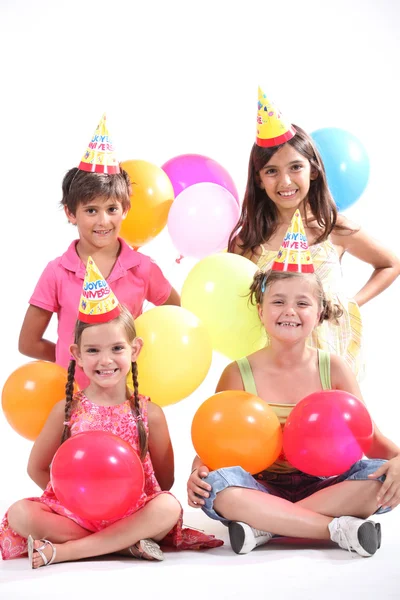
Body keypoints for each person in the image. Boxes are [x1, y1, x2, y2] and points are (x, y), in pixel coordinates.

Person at [187, 212, 400, 558]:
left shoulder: (335, 368)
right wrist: (198, 473)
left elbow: (369, 439)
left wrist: (398, 461)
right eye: (278, 301)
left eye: (303, 303)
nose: (290, 311)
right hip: (260, 487)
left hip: (328, 483)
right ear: (260, 310)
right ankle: (334, 528)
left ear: (319, 312)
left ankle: (266, 527)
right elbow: (215, 448)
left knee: (383, 479)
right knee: (220, 488)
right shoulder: (238, 373)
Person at [1, 258, 222, 568]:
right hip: (76, 516)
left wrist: (131, 504)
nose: (105, 360)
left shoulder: (150, 413)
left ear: (135, 349)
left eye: (116, 348)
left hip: (134, 515)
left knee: (167, 506)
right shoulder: (67, 410)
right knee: (20, 514)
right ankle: (123, 546)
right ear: (76, 354)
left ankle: (71, 550)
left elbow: (165, 480)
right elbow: (36, 467)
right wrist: (72, 499)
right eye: (93, 350)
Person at [228, 88, 400, 378]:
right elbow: (233, 304)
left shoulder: (334, 230)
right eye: (271, 171)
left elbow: (390, 264)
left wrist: (350, 304)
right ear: (259, 180)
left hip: (330, 362)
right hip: (274, 369)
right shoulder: (249, 242)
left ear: (313, 171)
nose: (285, 181)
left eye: (295, 167)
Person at [18, 114, 180, 388]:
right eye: (91, 210)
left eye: (112, 209)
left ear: (125, 210)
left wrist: (130, 358)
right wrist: (74, 360)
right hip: (74, 401)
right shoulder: (57, 272)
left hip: (128, 397)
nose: (103, 221)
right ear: (71, 212)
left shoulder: (143, 268)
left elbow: (176, 317)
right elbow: (28, 342)